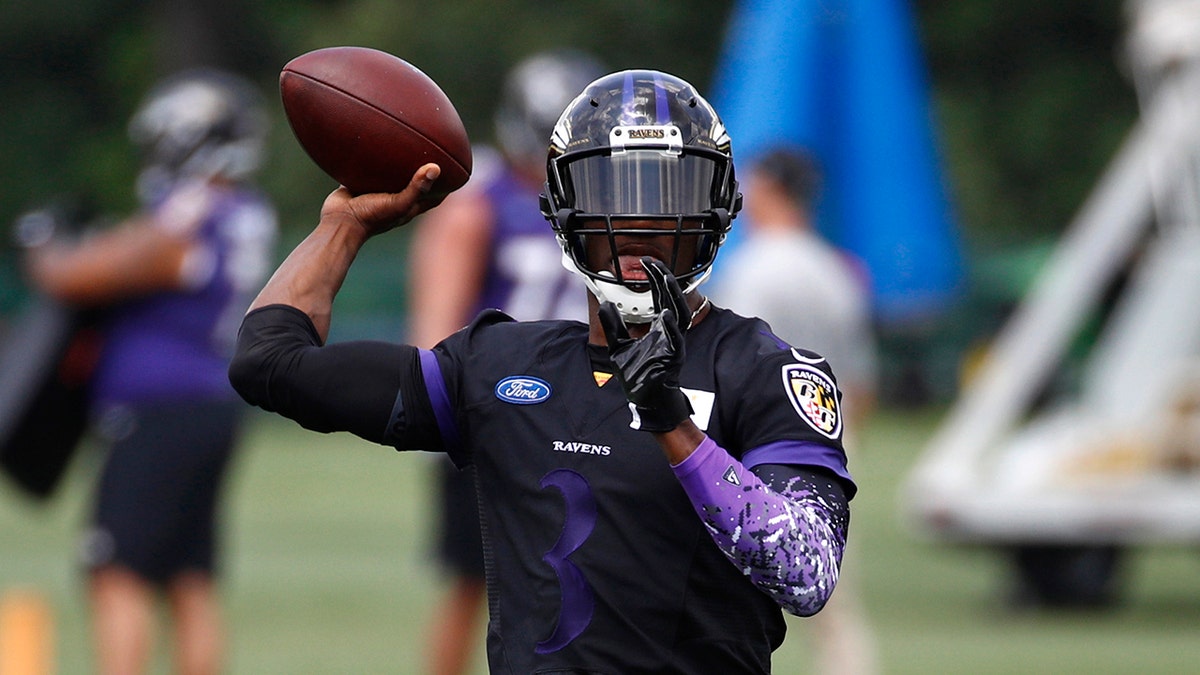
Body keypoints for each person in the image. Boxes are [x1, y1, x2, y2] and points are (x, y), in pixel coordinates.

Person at [229, 69, 854, 674]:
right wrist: (345, 226)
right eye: (614, 197)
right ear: (562, 212)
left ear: (716, 211)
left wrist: (675, 426)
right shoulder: (500, 364)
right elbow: (270, 362)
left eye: (667, 198)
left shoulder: (767, 371)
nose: (639, 224)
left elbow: (805, 571)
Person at [19, 69, 277, 675]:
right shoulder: (246, 207)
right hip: (209, 398)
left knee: (118, 572)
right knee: (189, 577)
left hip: (160, 409)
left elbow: (89, 273)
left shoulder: (195, 204)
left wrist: (46, 248)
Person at [407, 50, 604, 675]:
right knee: (476, 584)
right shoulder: (479, 200)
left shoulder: (599, 198)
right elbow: (436, 329)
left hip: (577, 413)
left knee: (586, 577)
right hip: (498, 412)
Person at [712, 147, 880, 675]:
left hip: (757, 436)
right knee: (831, 592)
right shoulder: (836, 269)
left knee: (730, 588)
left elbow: (725, 362)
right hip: (829, 432)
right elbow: (861, 378)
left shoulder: (750, 267)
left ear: (769, 189)